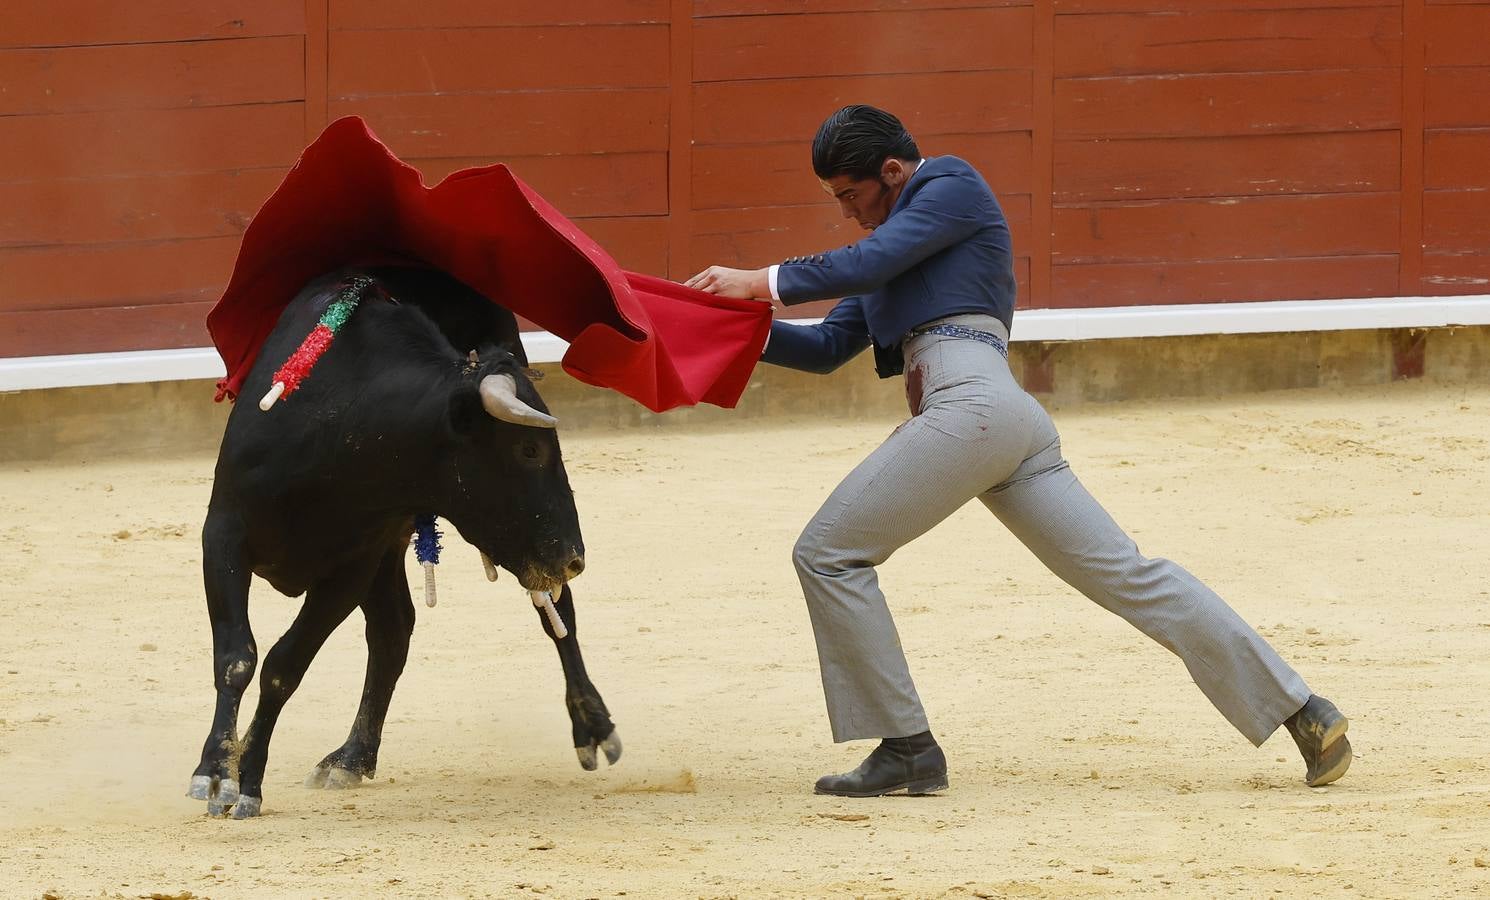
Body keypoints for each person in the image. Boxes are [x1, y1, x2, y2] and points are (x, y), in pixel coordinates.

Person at [684, 104, 1351, 798]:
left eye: (853, 196)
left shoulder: (948, 184)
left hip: (969, 408)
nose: (851, 215)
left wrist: (758, 280)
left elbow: (867, 259)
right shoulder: (892, 251)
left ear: (891, 171)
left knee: (827, 553)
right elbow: (825, 347)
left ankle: (906, 747)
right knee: (1132, 575)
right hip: (998, 422)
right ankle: (1307, 713)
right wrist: (723, 323)